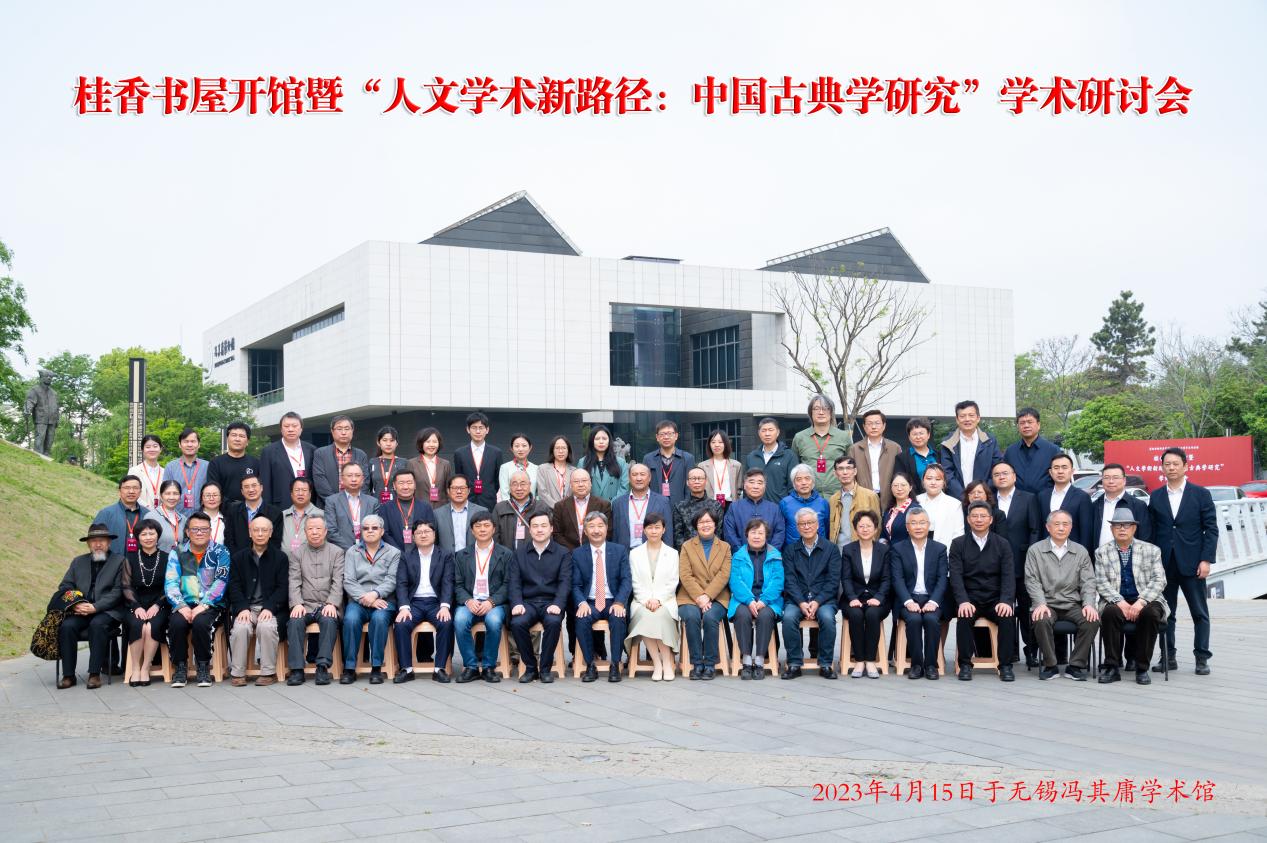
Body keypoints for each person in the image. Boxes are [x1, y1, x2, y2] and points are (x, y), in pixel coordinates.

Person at [1148, 446, 1218, 675]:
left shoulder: (1200, 494)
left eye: (1175, 464)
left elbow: (1211, 529)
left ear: (1185, 466)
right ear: (1162, 467)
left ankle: (1202, 658)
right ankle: (1168, 657)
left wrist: (1206, 560)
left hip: (1193, 563)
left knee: (1199, 612)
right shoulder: (1156, 496)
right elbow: (1152, 530)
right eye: (1167, 464)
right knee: (1166, 613)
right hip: (1164, 564)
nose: (1171, 468)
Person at [1095, 507, 1168, 685]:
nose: (1122, 529)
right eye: (1117, 525)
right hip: (1116, 599)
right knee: (1109, 613)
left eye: (1126, 525)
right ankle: (1112, 667)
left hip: (1146, 599)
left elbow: (1159, 580)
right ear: (1111, 529)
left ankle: (1142, 668)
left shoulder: (1152, 550)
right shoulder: (1101, 552)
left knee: (1151, 614)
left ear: (1134, 528)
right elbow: (1101, 582)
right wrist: (1119, 601)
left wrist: (1141, 602)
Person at [1025, 510, 1100, 681]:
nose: (1061, 528)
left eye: (1065, 524)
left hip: (1072, 604)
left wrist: (1089, 604)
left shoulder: (1080, 551)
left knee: (1092, 619)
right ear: (1048, 527)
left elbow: (1088, 581)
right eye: (1056, 524)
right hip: (1047, 603)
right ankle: (1050, 665)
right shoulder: (1035, 550)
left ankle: (1076, 665)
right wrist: (1040, 603)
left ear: (1071, 527)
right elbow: (1032, 580)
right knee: (1040, 619)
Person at [949, 502, 1016, 682]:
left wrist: (1006, 601)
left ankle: (1005, 665)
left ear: (991, 519)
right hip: (970, 598)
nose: (979, 520)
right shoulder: (958, 544)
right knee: (964, 616)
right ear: (968, 519)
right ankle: (965, 664)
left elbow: (1008, 576)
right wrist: (963, 601)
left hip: (995, 598)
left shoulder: (1002, 544)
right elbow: (955, 576)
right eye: (975, 516)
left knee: (1007, 616)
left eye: (983, 516)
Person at [164, 510, 231, 688]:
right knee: (176, 624)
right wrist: (181, 605)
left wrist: (204, 605)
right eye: (195, 529)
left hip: (212, 605)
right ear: (187, 532)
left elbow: (221, 581)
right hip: (184, 603)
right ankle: (180, 667)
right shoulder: (177, 552)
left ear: (210, 531)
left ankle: (203, 666)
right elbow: (171, 582)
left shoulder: (220, 552)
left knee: (201, 623)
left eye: (204, 529)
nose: (199, 533)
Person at [55, 523, 125, 689]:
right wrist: (75, 604)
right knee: (66, 626)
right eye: (93, 541)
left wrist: (96, 607)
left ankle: (94, 674)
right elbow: (65, 586)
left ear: (109, 543)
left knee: (97, 624)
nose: (98, 544)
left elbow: (118, 591)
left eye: (102, 540)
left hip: (108, 611)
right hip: (80, 610)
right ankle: (68, 675)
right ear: (88, 544)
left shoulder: (120, 561)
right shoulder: (78, 562)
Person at [507, 512, 571, 683]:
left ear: (551, 528)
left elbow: (565, 582)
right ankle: (530, 667)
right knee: (517, 623)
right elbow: (514, 582)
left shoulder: (562, 553)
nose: (539, 530)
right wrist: (517, 603)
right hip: (527, 602)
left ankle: (545, 668)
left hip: (551, 602)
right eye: (535, 526)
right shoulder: (519, 553)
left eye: (543, 526)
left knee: (553, 622)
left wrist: (558, 604)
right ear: (530, 530)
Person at [226, 515, 288, 686]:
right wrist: (242, 608)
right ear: (250, 532)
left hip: (270, 608)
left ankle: (268, 672)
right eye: (256, 530)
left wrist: (269, 607)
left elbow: (283, 588)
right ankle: (237, 673)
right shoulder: (238, 558)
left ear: (271, 533)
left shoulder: (280, 558)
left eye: (264, 530)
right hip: (247, 608)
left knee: (266, 627)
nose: (260, 534)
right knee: (241, 628)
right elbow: (234, 586)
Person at [992, 461, 1042, 667]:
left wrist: (1031, 557)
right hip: (996, 564)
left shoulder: (1028, 498)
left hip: (1022, 561)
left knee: (1025, 608)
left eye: (1005, 473)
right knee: (1005, 609)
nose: (1001, 477)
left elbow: (1035, 529)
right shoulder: (989, 500)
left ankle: (1031, 650)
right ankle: (1009, 651)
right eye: (997, 474)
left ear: (1014, 476)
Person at [781, 507, 841, 680]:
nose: (806, 527)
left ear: (817, 525)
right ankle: (794, 663)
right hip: (796, 600)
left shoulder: (831, 549)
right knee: (788, 617)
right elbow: (790, 580)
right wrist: (801, 602)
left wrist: (817, 601)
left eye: (810, 522)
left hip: (824, 599)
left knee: (827, 618)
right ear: (797, 527)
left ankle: (825, 663)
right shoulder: (790, 550)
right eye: (802, 524)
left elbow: (833, 581)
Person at [571, 512, 632, 682]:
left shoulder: (619, 551)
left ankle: (615, 664)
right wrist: (581, 602)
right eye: (591, 526)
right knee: (581, 619)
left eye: (600, 526)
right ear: (585, 531)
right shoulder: (577, 554)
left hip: (612, 600)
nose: (596, 530)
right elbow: (575, 584)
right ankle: (590, 665)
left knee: (618, 618)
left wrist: (619, 602)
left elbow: (626, 580)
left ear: (606, 528)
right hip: (589, 601)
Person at [452, 512, 512, 683]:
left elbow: (508, 584)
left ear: (494, 529)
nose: (482, 529)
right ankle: (470, 666)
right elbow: (457, 584)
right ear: (472, 531)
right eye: (478, 526)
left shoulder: (505, 554)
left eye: (486, 525)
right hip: (470, 601)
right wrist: (468, 600)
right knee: (460, 620)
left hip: (494, 603)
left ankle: (488, 667)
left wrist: (491, 601)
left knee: (493, 621)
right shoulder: (461, 555)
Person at [393, 519, 455, 684]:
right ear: (413, 537)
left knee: (446, 623)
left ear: (434, 534)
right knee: (401, 624)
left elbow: (448, 582)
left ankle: (439, 668)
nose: (423, 535)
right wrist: (404, 607)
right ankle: (406, 669)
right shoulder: (406, 556)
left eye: (427, 531)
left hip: (436, 603)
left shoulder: (445, 555)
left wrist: (445, 606)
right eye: (419, 532)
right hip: (414, 603)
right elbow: (401, 583)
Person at [340, 514, 400, 684]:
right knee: (350, 620)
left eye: (374, 528)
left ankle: (376, 667)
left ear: (382, 531)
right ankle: (349, 668)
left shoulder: (394, 552)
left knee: (379, 620)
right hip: (358, 601)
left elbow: (391, 580)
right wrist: (366, 598)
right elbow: (348, 580)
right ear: (361, 532)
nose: (370, 531)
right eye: (366, 528)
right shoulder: (352, 552)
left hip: (384, 600)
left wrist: (375, 594)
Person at [284, 515, 343, 686]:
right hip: (305, 604)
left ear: (325, 531)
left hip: (327, 604)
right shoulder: (297, 553)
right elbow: (294, 581)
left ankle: (322, 667)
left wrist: (332, 603)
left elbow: (338, 581)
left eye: (318, 529)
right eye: (310, 529)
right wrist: (297, 603)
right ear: (305, 532)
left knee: (329, 620)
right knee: (294, 621)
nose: (314, 532)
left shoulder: (337, 552)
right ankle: (296, 669)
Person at [889, 507, 947, 680]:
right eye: (913, 523)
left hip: (931, 599)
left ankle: (931, 665)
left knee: (931, 619)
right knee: (914, 620)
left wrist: (934, 602)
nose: (918, 527)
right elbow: (897, 579)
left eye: (922, 523)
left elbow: (942, 578)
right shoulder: (898, 549)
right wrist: (908, 601)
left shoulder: (939, 549)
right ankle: (916, 664)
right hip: (908, 598)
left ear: (928, 525)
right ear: (907, 527)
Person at [676, 509, 731, 680]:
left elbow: (724, 574)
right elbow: (685, 575)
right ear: (696, 526)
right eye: (701, 522)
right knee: (691, 617)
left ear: (715, 524)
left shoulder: (725, 547)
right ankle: (697, 663)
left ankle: (710, 664)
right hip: (689, 596)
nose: (705, 525)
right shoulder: (687, 546)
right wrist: (699, 596)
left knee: (710, 617)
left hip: (717, 596)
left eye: (708, 521)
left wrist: (708, 596)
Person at [626, 513, 680, 680]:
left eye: (657, 527)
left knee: (660, 616)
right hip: (642, 602)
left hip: (666, 602)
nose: (654, 531)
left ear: (664, 530)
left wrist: (658, 600)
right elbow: (635, 582)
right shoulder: (635, 554)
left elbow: (673, 581)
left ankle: (667, 663)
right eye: (650, 527)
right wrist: (647, 600)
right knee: (647, 617)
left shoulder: (672, 553)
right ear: (644, 530)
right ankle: (658, 663)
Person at [728, 518, 783, 680]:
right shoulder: (738, 556)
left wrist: (764, 600)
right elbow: (735, 581)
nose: (757, 536)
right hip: (743, 599)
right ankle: (746, 660)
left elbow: (778, 581)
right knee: (742, 614)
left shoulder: (775, 555)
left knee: (765, 615)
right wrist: (749, 600)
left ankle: (759, 661)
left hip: (768, 601)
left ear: (766, 536)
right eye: (753, 532)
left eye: (760, 533)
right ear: (747, 535)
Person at [840, 511, 889, 679]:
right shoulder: (848, 550)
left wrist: (879, 597)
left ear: (875, 529)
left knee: (872, 614)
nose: (865, 529)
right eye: (861, 526)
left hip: (878, 597)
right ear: (855, 529)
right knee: (855, 614)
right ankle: (859, 660)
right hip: (853, 597)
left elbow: (887, 579)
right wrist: (852, 598)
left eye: (869, 526)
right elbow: (846, 578)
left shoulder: (883, 550)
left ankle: (870, 660)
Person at [122, 519, 170, 686]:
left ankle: (146, 667)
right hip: (135, 603)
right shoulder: (130, 558)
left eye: (151, 533)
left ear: (158, 535)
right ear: (137, 537)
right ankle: (135, 668)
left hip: (161, 604)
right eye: (143, 534)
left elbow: (170, 585)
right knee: (139, 625)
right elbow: (126, 585)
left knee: (151, 627)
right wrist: (136, 606)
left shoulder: (167, 557)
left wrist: (158, 605)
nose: (148, 537)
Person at [938, 400, 1004, 499]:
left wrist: (982, 493)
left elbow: (996, 469)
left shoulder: (990, 441)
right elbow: (947, 473)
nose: (967, 419)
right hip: (957, 499)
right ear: (957, 419)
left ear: (978, 418)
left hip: (985, 498)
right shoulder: (948, 443)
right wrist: (964, 497)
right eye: (962, 416)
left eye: (971, 415)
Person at [791, 393, 851, 497]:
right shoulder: (799, 437)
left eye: (826, 408)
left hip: (838, 495)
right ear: (810, 412)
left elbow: (851, 466)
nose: (821, 412)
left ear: (831, 412)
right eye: (816, 408)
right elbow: (795, 467)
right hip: (808, 496)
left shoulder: (843, 436)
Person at [260, 411, 316, 508]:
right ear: (281, 429)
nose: (290, 429)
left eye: (294, 426)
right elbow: (265, 483)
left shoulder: (312, 450)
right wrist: (267, 510)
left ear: (301, 429)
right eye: (286, 426)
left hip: (309, 505)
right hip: (281, 505)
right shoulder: (268, 452)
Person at [612, 462, 674, 550]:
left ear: (649, 478)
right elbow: (615, 534)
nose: (638, 478)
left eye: (642, 474)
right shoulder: (618, 503)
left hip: (653, 552)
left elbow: (668, 534)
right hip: (625, 553)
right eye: (634, 475)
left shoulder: (663, 502)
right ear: (629, 478)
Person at [848, 409, 902, 510]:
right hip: (863, 498)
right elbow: (851, 476)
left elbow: (900, 474)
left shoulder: (895, 448)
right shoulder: (855, 449)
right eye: (869, 423)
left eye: (877, 423)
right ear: (864, 426)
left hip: (890, 498)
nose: (873, 427)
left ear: (884, 426)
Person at [1038, 454, 1094, 550]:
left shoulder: (1082, 497)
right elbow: (1039, 527)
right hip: (1046, 551)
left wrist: (1083, 554)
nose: (1060, 471)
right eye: (1056, 468)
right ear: (1050, 472)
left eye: (1064, 467)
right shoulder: (1042, 496)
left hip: (1072, 552)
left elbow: (1086, 531)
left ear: (1072, 471)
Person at [1002, 408, 1061, 496]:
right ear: (1018, 426)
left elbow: (1059, 476)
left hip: (1045, 499)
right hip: (1017, 500)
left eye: (1030, 422)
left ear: (1038, 425)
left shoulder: (1052, 450)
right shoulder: (1010, 451)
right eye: (1022, 423)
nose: (1026, 425)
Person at [312, 415, 370, 505]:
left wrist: (353, 502)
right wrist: (337, 503)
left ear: (352, 431)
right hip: (328, 506)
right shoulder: (320, 453)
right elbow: (320, 482)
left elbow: (365, 481)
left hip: (355, 506)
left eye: (347, 429)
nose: (343, 432)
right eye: (339, 429)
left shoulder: (361, 454)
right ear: (332, 431)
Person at [1092, 463, 1153, 548]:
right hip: (1099, 555)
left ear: (1124, 480)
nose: (1111, 481)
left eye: (1115, 477)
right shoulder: (1094, 505)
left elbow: (1145, 537)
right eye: (1106, 477)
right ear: (1102, 481)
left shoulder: (1138, 505)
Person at [550, 469, 613, 551]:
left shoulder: (603, 505)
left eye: (584, 480)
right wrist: (574, 552)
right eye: (576, 481)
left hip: (594, 552)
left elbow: (608, 532)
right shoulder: (560, 506)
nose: (580, 484)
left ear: (590, 483)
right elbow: (557, 534)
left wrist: (590, 550)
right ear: (570, 485)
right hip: (569, 553)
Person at [827, 456, 881, 552]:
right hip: (839, 551)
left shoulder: (870, 496)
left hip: (862, 551)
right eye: (840, 469)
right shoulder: (833, 499)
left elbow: (878, 526)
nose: (845, 472)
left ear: (855, 471)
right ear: (835, 473)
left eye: (848, 468)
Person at [723, 469, 785, 551]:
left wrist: (770, 553)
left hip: (769, 556)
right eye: (751, 482)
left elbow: (779, 533)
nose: (755, 486)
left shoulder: (774, 509)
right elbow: (729, 533)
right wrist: (742, 553)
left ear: (765, 486)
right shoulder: (734, 507)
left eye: (759, 483)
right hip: (741, 555)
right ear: (744, 485)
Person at [453, 411, 503, 510]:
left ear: (487, 430)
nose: (478, 431)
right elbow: (460, 477)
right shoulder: (459, 453)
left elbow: (498, 480)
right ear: (468, 429)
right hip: (467, 500)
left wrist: (489, 491)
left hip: (489, 501)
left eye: (481, 428)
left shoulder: (496, 453)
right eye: (474, 428)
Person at [324, 462, 380, 551]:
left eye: (357, 475)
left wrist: (363, 549)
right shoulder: (332, 501)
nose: (354, 479)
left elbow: (376, 529)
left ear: (363, 479)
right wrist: (351, 550)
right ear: (342, 479)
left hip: (367, 551)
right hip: (341, 552)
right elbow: (331, 531)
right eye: (349, 475)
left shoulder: (373, 502)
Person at [223, 473, 283, 555]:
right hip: (238, 559)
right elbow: (229, 539)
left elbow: (275, 542)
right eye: (246, 487)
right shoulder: (233, 511)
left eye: (254, 485)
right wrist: (239, 558)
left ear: (261, 488)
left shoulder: (275, 513)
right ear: (242, 491)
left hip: (266, 559)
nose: (251, 490)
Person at [492, 469, 550, 552]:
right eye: (514, 484)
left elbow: (549, 535)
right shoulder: (500, 508)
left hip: (535, 556)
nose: (519, 488)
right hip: (507, 557)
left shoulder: (542, 507)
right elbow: (494, 537)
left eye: (523, 484)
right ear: (510, 486)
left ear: (530, 485)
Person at [94, 474, 151, 558]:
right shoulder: (106, 513)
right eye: (127, 488)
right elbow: (95, 541)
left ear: (140, 492)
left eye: (135, 488)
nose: (131, 491)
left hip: (141, 563)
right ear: (119, 491)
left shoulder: (148, 514)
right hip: (113, 563)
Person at [380, 469, 436, 552]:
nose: (406, 487)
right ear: (394, 486)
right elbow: (385, 533)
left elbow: (431, 531)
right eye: (401, 483)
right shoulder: (385, 508)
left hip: (421, 553)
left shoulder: (425, 507)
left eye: (409, 483)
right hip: (394, 554)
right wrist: (398, 552)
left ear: (415, 485)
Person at [642, 419, 696, 505]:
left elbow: (690, 486)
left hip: (680, 506)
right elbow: (645, 485)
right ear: (657, 437)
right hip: (655, 506)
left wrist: (686, 506)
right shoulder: (648, 459)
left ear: (676, 436)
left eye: (670, 434)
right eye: (662, 434)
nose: (666, 437)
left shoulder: (688, 458)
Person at [207, 421, 261, 506]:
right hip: (223, 509)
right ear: (227, 438)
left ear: (247, 441)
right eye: (234, 435)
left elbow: (259, 489)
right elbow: (213, 489)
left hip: (250, 509)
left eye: (242, 436)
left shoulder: (256, 463)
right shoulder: (216, 463)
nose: (237, 439)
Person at [744, 417, 797, 503]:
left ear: (778, 432)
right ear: (759, 433)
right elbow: (746, 485)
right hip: (755, 507)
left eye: (771, 430)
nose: (767, 434)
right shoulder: (751, 457)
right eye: (764, 430)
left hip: (780, 507)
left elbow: (793, 486)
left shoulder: (789, 456)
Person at [434, 475, 489, 554]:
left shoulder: (481, 511)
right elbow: (434, 542)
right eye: (455, 488)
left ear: (469, 490)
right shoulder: (438, 514)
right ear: (448, 491)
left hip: (474, 558)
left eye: (462, 488)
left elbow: (487, 539)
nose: (459, 491)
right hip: (447, 559)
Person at [162, 427, 210, 516]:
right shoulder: (170, 467)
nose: (189, 444)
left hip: (202, 516)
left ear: (199, 444)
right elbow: (165, 493)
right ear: (180, 445)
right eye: (186, 441)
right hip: (176, 516)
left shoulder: (207, 466)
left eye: (193, 441)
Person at [674, 466, 726, 547]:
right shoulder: (680, 507)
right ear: (687, 482)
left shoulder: (716, 505)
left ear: (706, 481)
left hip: (711, 550)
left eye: (700, 478)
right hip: (688, 550)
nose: (697, 481)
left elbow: (718, 533)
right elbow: (678, 535)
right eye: (693, 479)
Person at [779, 464, 829, 546]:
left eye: (807, 478)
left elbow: (827, 528)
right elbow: (781, 531)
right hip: (793, 550)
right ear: (793, 483)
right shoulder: (785, 503)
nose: (804, 483)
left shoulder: (823, 503)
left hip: (820, 549)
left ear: (813, 481)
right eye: (799, 479)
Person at [916, 464, 963, 546]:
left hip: (946, 549)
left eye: (938, 479)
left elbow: (958, 534)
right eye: (929, 478)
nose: (933, 482)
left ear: (944, 482)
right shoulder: (916, 501)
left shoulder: (955, 504)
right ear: (923, 481)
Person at [406, 427, 453, 507]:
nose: (431, 445)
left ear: (439, 443)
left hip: (441, 508)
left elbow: (448, 489)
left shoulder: (445, 464)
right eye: (428, 441)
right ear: (421, 443)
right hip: (419, 508)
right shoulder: (412, 463)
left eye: (434, 441)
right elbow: (409, 489)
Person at [580, 425, 628, 501]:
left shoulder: (621, 462)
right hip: (591, 506)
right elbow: (579, 487)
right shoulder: (583, 462)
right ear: (592, 441)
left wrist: (611, 504)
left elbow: (624, 488)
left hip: (614, 506)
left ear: (609, 441)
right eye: (597, 439)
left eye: (604, 439)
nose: (601, 442)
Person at [894, 417, 939, 496]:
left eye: (921, 433)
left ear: (928, 435)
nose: (918, 437)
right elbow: (900, 482)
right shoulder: (902, 458)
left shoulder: (939, 455)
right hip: (915, 499)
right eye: (914, 434)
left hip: (940, 499)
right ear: (909, 437)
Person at [280, 476, 322, 555]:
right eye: (297, 490)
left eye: (304, 490)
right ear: (291, 494)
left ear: (310, 494)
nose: (300, 493)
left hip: (312, 560)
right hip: (285, 561)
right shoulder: (282, 515)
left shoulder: (321, 515)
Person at [700, 429, 743, 505]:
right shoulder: (702, 466)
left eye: (720, 442)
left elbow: (739, 488)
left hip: (731, 504)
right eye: (713, 442)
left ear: (726, 444)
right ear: (709, 445)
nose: (716, 445)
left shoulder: (736, 465)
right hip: (709, 505)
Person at [497, 433, 541, 502]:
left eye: (524, 446)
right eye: (517, 446)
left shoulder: (536, 468)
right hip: (510, 507)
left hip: (532, 507)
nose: (520, 449)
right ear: (511, 448)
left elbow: (538, 494)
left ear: (530, 448)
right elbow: (504, 494)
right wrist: (511, 507)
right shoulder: (505, 468)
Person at [536, 435, 577, 509]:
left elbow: (576, 493)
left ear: (568, 450)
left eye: (564, 448)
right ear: (552, 450)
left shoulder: (574, 471)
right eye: (557, 448)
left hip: (569, 511)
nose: (560, 451)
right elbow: (542, 493)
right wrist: (557, 507)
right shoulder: (542, 469)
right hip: (549, 511)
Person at [24, 368, 59, 455]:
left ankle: (46, 456)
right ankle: (38, 455)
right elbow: (30, 401)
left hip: (52, 420)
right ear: (41, 377)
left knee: (50, 439)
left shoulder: (54, 393)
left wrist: (57, 419)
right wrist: (27, 410)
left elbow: (56, 407)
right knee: (40, 437)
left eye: (51, 377)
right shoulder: (35, 390)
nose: (49, 378)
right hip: (41, 418)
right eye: (47, 376)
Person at [128, 434, 166, 510]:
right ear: (142, 450)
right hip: (140, 512)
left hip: (162, 514)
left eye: (155, 446)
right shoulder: (134, 471)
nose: (152, 449)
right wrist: (148, 508)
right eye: (148, 447)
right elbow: (131, 493)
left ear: (160, 449)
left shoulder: (165, 472)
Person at [368, 425, 404, 504]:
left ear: (397, 443)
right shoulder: (372, 462)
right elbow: (367, 487)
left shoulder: (403, 463)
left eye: (392, 440)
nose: (388, 444)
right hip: (376, 506)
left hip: (398, 506)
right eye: (385, 440)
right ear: (378, 442)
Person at [882, 473, 916, 545]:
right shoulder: (889, 510)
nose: (899, 488)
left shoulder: (915, 510)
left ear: (910, 487)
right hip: (888, 551)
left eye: (903, 485)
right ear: (891, 488)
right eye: (895, 485)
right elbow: (884, 534)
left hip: (906, 551)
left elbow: (916, 536)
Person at [152, 480, 186, 553]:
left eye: (175, 493)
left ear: (180, 497)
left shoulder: (183, 519)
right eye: (167, 493)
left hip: (178, 559)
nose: (171, 497)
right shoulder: (151, 517)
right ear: (161, 496)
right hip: (159, 559)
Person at [197, 482, 228, 548]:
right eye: (208, 495)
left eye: (215, 495)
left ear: (221, 498)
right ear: (201, 499)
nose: (211, 499)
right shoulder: (194, 519)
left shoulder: (227, 521)